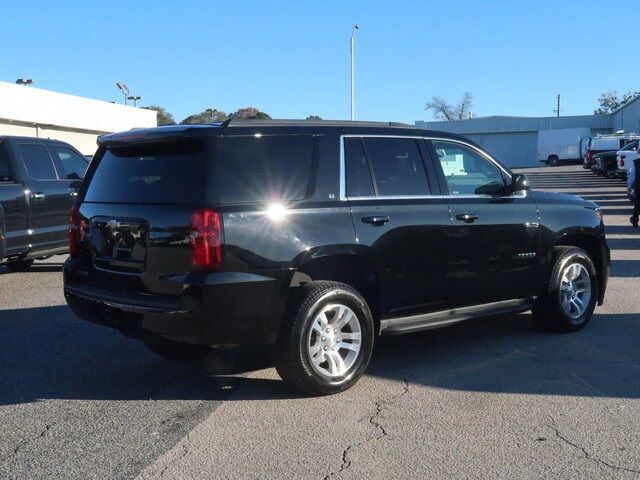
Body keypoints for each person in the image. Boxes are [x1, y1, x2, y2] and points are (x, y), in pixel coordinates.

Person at [629, 157, 640, 228]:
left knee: (638, 203)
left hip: (639, 185)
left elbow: (632, 175)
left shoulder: (636, 162)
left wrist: (630, 185)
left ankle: (635, 220)